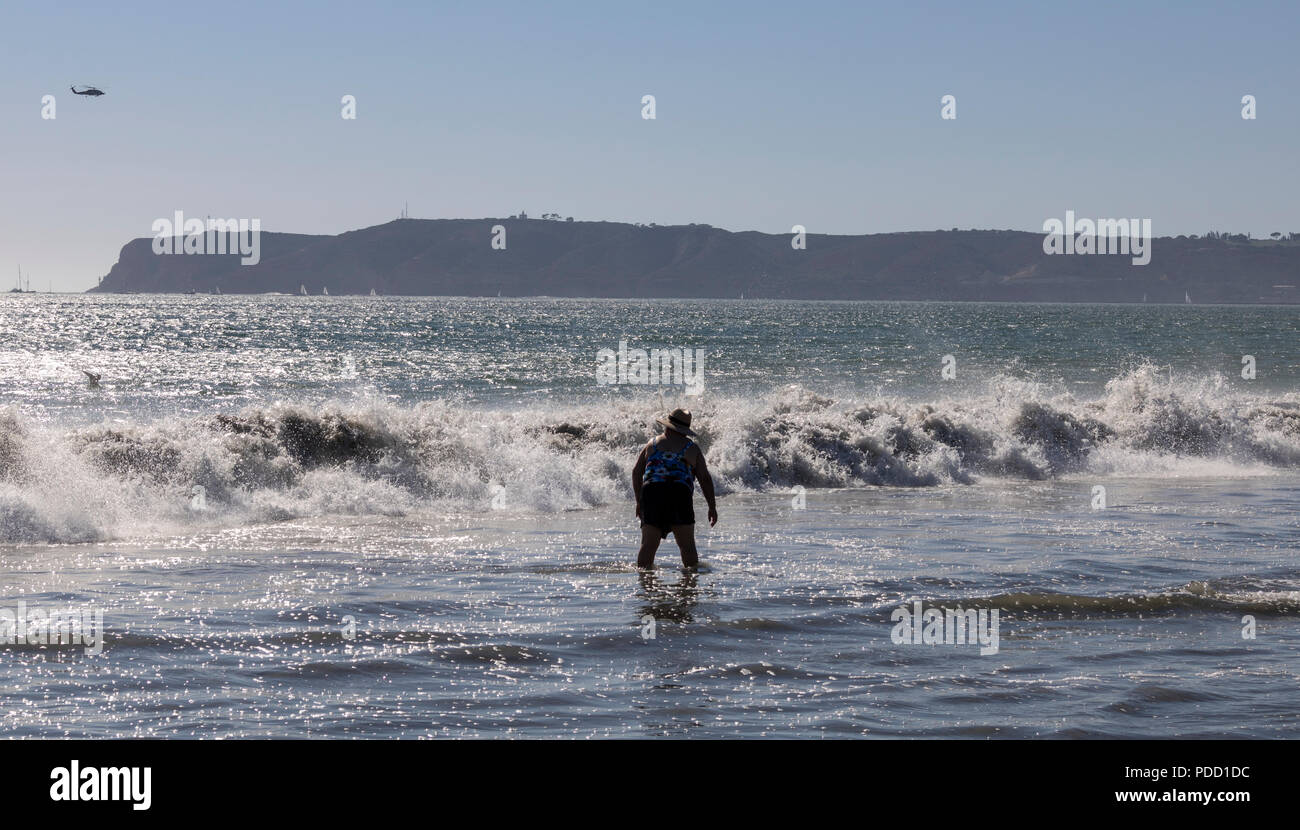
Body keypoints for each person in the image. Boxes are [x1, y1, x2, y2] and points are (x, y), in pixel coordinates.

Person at [632, 409, 717, 568]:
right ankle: (689, 586)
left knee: (648, 547)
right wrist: (712, 507)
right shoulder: (691, 448)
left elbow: (637, 472)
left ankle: (645, 585)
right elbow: (704, 479)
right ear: (685, 430)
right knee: (687, 549)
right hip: (679, 493)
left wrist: (639, 501)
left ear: (667, 426)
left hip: (653, 493)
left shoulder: (653, 444)